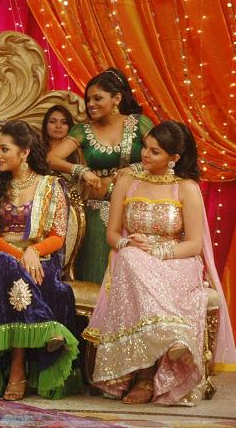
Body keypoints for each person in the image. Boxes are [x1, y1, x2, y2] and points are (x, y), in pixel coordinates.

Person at [83, 121, 236, 405]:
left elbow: (194, 244)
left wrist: (157, 251)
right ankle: (169, 343)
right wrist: (129, 245)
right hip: (132, 258)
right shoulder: (127, 181)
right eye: (146, 147)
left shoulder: (186, 188)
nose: (145, 154)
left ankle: (147, 376)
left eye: (155, 152)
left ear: (173, 158)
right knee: (130, 259)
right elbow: (112, 235)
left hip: (176, 261)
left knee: (136, 264)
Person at [0, 120, 81, 401]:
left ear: (24, 152)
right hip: (3, 260)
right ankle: (42, 334)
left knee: (14, 271)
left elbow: (58, 236)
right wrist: (21, 255)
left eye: (4, 149)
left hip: (42, 260)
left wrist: (33, 251)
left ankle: (18, 367)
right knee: (3, 263)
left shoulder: (51, 186)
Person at [47, 68, 154, 284]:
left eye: (97, 98)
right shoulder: (83, 130)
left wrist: (135, 169)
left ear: (116, 99)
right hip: (97, 213)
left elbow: (163, 154)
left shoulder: (138, 124)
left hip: (134, 212)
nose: (90, 104)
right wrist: (82, 171)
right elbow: (52, 158)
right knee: (95, 273)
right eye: (88, 100)